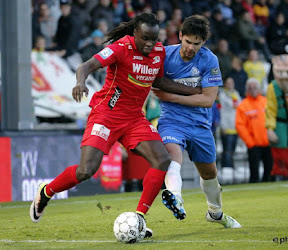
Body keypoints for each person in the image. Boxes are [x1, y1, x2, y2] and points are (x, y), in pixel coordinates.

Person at [29, 13, 200, 238]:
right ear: (135, 34)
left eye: (154, 38)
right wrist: (80, 82)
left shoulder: (158, 52)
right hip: (106, 115)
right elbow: (87, 65)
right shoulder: (122, 48)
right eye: (145, 38)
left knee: (162, 160)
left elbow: (158, 81)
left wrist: (192, 91)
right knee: (86, 171)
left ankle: (139, 219)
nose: (150, 44)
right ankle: (46, 191)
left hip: (134, 118)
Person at [152, 15, 241, 228]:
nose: (191, 48)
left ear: (204, 42)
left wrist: (171, 96)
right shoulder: (165, 54)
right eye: (188, 41)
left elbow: (208, 99)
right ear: (180, 36)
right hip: (171, 121)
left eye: (196, 44)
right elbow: (155, 83)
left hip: (200, 124)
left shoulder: (209, 60)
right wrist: (191, 93)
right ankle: (175, 197)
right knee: (173, 157)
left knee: (209, 174)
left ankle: (215, 213)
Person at [235, 78, 273, 183]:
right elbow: (240, 126)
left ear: (259, 89)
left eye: (255, 88)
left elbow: (273, 119)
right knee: (254, 173)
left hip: (268, 143)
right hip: (254, 145)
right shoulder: (243, 105)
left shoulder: (266, 102)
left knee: (269, 172)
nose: (253, 90)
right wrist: (250, 142)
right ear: (247, 90)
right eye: (250, 88)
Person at [219, 76, 241, 169]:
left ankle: (231, 168)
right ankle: (226, 168)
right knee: (227, 150)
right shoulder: (222, 95)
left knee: (232, 150)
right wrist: (222, 126)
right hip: (226, 127)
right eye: (228, 83)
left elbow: (239, 107)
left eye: (231, 83)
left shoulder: (236, 94)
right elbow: (221, 111)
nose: (230, 85)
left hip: (235, 126)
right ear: (225, 84)